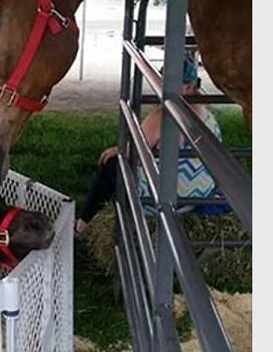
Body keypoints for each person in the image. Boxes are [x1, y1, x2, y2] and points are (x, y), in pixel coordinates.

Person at [75, 56, 223, 237]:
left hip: (166, 196)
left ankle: (83, 224)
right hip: (200, 194)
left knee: (111, 163)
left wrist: (117, 150)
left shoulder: (163, 116)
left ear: (190, 86)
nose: (162, 87)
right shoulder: (208, 116)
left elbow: (133, 149)